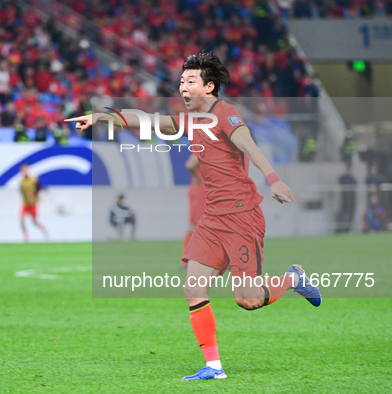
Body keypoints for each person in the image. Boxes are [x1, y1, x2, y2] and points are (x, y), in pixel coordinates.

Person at [66, 53, 322, 381]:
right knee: (193, 288)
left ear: (209, 86)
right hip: (212, 218)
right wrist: (102, 117)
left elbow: (250, 147)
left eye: (190, 81)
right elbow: (145, 119)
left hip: (241, 217)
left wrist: (273, 179)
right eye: (182, 81)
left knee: (247, 299)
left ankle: (294, 279)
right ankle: (213, 367)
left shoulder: (226, 114)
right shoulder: (188, 121)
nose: (182, 87)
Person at [182, 154, 205, 268]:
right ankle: (185, 262)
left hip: (200, 189)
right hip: (200, 189)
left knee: (194, 226)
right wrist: (198, 178)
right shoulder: (200, 151)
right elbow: (190, 165)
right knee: (194, 226)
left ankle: (186, 262)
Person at [19, 163, 47, 241]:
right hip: (25, 203)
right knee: (22, 219)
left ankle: (42, 227)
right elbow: (21, 190)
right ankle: (25, 234)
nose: (23, 170)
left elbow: (40, 188)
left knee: (34, 221)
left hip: (33, 203)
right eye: (22, 169)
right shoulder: (22, 181)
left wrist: (34, 194)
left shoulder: (34, 179)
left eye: (25, 168)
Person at [337, 165, 356, 233]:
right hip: (344, 200)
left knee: (350, 215)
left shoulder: (352, 178)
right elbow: (340, 180)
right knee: (342, 215)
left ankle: (348, 229)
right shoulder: (343, 178)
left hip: (351, 200)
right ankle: (339, 229)